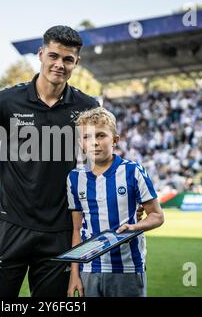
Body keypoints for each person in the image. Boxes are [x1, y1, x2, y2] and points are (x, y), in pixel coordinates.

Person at [0, 25, 100, 297]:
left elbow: (100, 163)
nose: (59, 64)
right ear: (41, 54)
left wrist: (124, 198)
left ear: (76, 62)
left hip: (60, 230)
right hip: (9, 226)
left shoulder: (87, 106)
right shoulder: (6, 101)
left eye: (68, 59)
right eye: (54, 56)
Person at [66, 107, 164, 297]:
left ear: (115, 140)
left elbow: (157, 216)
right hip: (89, 268)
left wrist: (135, 227)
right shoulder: (74, 178)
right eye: (87, 137)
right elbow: (77, 229)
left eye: (101, 135)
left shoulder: (133, 171)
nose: (94, 142)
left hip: (127, 268)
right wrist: (74, 275)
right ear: (81, 143)